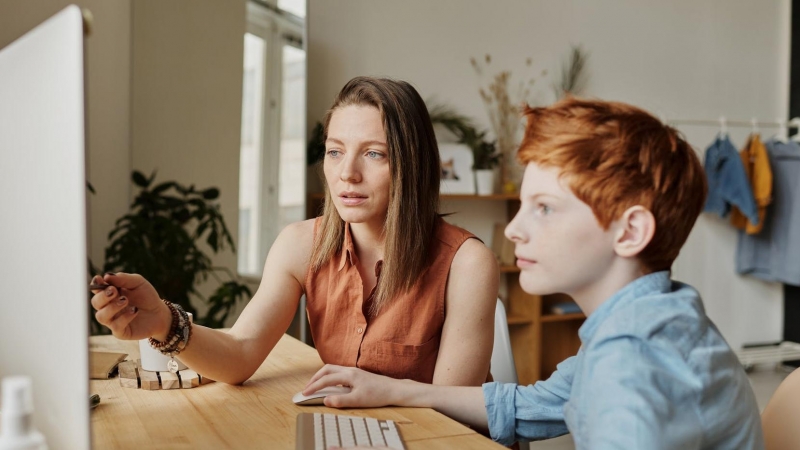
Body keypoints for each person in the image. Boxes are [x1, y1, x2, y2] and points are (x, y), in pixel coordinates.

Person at [302, 97, 765, 449]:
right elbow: (528, 405)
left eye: (544, 209)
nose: (517, 230)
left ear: (630, 232)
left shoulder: (632, 365)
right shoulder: (647, 320)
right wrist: (392, 390)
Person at [89, 76, 499, 387]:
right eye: (335, 151)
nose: (346, 174)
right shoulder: (301, 244)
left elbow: (450, 415)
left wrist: (376, 394)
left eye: (374, 154)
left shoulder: (467, 263)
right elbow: (240, 354)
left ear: (413, 165)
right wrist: (163, 321)